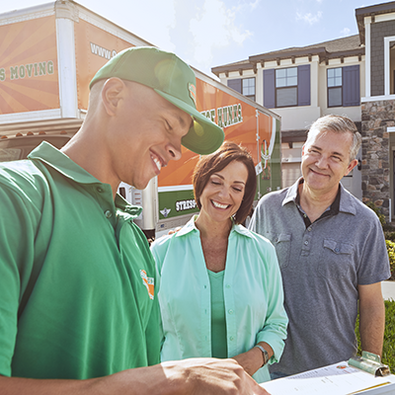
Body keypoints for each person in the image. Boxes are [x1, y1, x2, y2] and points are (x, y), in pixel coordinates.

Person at [0, 47, 269, 395]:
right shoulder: (16, 198)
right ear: (113, 97)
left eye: (182, 138)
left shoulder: (136, 242)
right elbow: (150, 383)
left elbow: (144, 377)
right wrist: (172, 379)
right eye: (170, 125)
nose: (177, 150)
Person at [249, 114, 391, 377]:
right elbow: (246, 278)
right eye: (315, 151)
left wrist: (371, 362)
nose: (321, 163)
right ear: (304, 151)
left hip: (334, 372)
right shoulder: (267, 208)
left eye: (335, 157)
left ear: (350, 166)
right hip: (268, 370)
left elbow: (371, 302)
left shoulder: (365, 223)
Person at [151, 141, 288, 384]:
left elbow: (276, 323)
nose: (225, 195)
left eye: (237, 188)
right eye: (216, 182)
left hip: (249, 385)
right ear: (201, 183)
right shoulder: (161, 252)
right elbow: (148, 333)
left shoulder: (263, 252)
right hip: (180, 390)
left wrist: (256, 357)